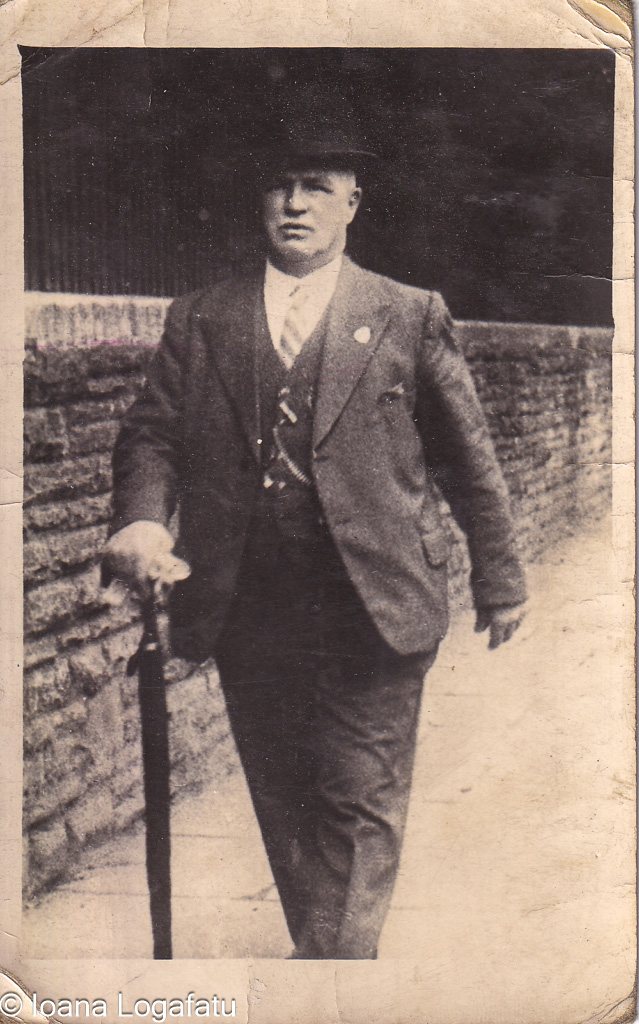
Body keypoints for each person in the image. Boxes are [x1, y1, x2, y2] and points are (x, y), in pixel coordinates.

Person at [103, 117, 528, 960]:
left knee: (360, 796)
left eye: (316, 187)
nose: (294, 204)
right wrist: (144, 515)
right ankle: (324, 952)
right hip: (247, 600)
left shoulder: (406, 314)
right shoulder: (201, 319)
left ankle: (334, 969)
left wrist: (500, 576)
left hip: (375, 596)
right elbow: (151, 435)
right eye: (279, 186)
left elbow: (465, 457)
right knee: (285, 789)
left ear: (351, 205)